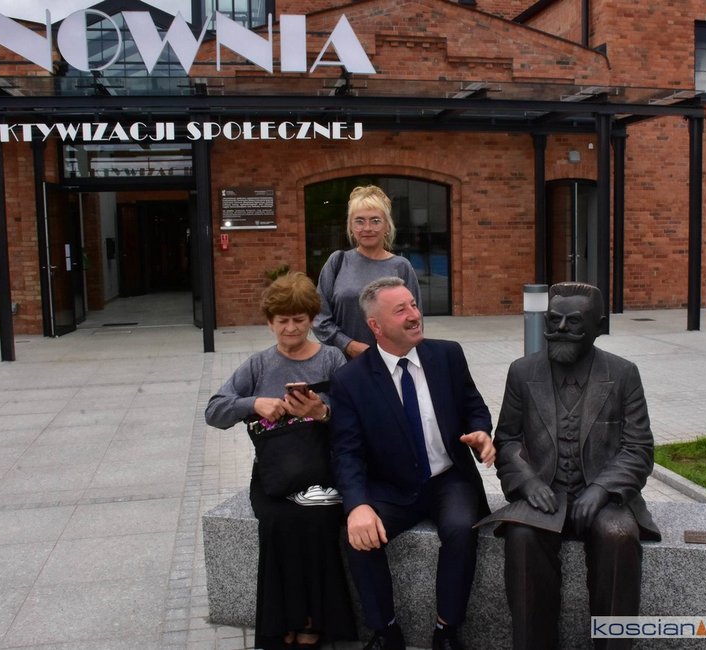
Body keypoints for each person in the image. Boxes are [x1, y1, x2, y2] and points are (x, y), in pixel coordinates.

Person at [329, 276, 495, 650]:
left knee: (461, 528)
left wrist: (480, 432)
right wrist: (356, 506)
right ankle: (386, 631)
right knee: (360, 538)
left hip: (447, 479)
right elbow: (346, 451)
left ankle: (446, 630)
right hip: (390, 487)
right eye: (401, 310)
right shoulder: (351, 380)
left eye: (414, 305)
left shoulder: (447, 355)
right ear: (376, 325)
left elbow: (474, 406)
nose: (414, 315)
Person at [493, 282, 661, 650]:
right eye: (554, 320)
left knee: (618, 536)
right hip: (544, 492)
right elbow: (506, 440)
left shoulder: (623, 373)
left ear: (599, 326)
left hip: (605, 497)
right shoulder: (522, 372)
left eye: (574, 322)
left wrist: (602, 488)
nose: (561, 329)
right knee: (522, 538)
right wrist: (527, 482)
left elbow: (638, 448)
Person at [205, 272, 357, 650]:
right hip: (275, 473)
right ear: (270, 323)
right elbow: (214, 411)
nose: (291, 328)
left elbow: (360, 413)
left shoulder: (332, 358)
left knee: (317, 520)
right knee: (276, 522)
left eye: (299, 319)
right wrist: (253, 403)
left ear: (311, 320)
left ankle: (312, 620)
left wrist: (322, 411)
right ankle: (284, 620)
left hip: (323, 467)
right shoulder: (258, 365)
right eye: (283, 320)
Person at [313, 185, 422, 359]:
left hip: (389, 362)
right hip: (342, 362)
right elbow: (319, 318)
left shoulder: (401, 267)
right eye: (359, 221)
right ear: (351, 226)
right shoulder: (338, 262)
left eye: (375, 221)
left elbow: (414, 320)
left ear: (387, 226)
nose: (367, 228)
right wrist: (348, 345)